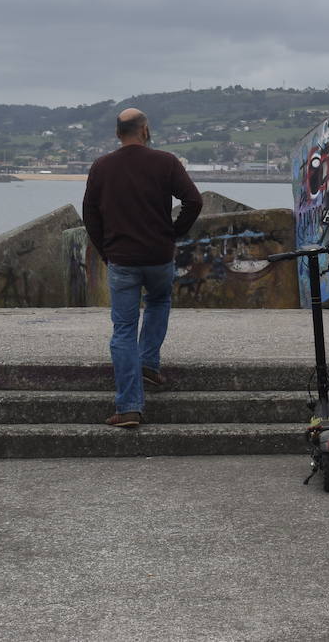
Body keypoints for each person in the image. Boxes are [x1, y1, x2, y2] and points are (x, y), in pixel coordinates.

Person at [83, 108, 202, 428]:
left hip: (122, 259)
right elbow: (194, 201)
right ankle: (148, 363)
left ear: (118, 133)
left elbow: (90, 216)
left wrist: (106, 251)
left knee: (123, 329)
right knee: (159, 302)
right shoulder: (165, 162)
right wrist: (174, 233)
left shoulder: (102, 167)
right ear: (145, 129)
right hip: (159, 256)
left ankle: (130, 407)